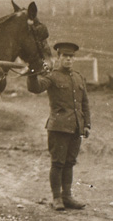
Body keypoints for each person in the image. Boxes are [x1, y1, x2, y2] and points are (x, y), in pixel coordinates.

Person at [27, 41, 91, 211]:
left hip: (76, 127)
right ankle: (56, 198)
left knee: (70, 162)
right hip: (58, 127)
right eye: (65, 56)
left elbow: (85, 103)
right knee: (58, 163)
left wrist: (87, 125)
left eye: (71, 57)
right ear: (59, 57)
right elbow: (36, 88)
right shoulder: (52, 76)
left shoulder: (78, 77)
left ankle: (67, 196)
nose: (68, 60)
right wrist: (32, 74)